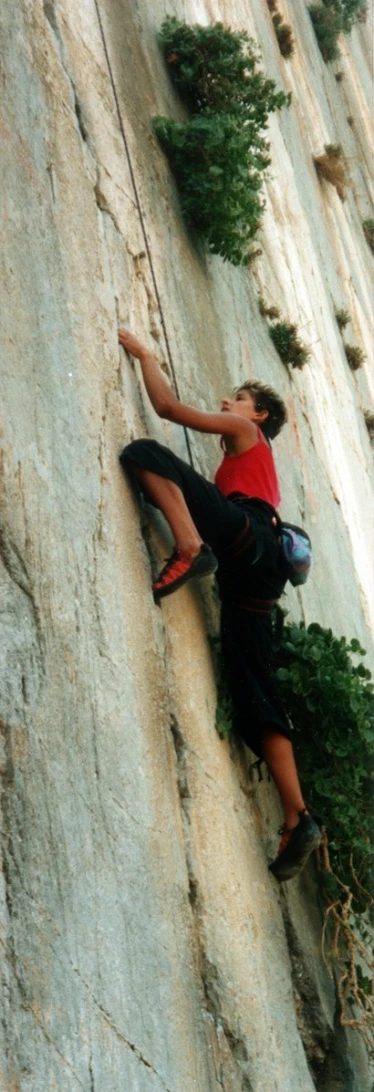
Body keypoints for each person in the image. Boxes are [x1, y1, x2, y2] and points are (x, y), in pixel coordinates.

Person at [118, 328, 321, 881]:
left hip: (245, 539)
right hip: (257, 575)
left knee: (143, 453)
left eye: (237, 400)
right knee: (254, 687)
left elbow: (164, 407)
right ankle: (297, 816)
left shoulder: (243, 434)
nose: (227, 404)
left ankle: (187, 546)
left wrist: (145, 354)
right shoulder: (249, 463)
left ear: (255, 417)